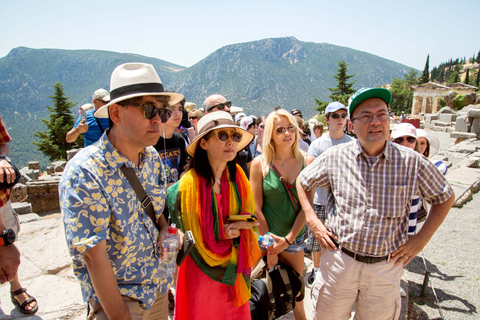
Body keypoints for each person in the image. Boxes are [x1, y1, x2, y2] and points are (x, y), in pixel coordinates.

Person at [296, 87, 455, 320]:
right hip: (340, 262)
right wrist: (313, 221)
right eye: (366, 116)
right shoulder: (336, 157)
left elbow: (445, 197)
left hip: (385, 269)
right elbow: (303, 181)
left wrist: (421, 239)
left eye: (382, 114)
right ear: (351, 125)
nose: (376, 121)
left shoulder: (412, 162)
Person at [59, 63, 184, 320]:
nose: (158, 120)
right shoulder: (85, 172)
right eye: (148, 109)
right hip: (120, 302)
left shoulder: (151, 158)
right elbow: (94, 258)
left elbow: (155, 211)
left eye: (162, 111)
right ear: (115, 113)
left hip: (157, 291)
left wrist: (164, 228)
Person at [166, 111, 261, 320]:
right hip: (199, 271)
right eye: (221, 136)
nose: (230, 142)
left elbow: (250, 215)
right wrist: (220, 232)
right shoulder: (185, 188)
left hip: (232, 269)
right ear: (203, 144)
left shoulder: (239, 179)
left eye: (235, 137)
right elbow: (186, 232)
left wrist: (240, 227)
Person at [250, 109, 313, 320]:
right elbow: (256, 208)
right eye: (280, 130)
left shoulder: (308, 161)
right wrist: (270, 246)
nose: (287, 133)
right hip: (265, 239)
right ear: (270, 134)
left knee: (297, 295)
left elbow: (307, 208)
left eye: (290, 128)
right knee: (264, 291)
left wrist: (287, 240)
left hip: (294, 239)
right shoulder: (260, 164)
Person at [304, 101, 352, 288]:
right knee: (317, 241)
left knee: (340, 240)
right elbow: (311, 174)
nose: (340, 119)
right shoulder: (317, 145)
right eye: (335, 116)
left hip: (343, 203)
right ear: (327, 119)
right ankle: (316, 269)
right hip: (321, 201)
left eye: (343, 115)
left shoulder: (352, 143)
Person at [0, 116, 38, 314]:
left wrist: (1, 158)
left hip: (2, 200)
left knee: (9, 244)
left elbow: (2, 144)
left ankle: (15, 286)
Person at [203, 94, 252, 176]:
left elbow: (249, 167)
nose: (227, 108)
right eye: (220, 106)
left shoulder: (239, 135)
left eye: (228, 105)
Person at [154, 99, 188, 190]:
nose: (177, 113)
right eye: (172, 109)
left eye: (180, 109)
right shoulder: (151, 141)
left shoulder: (180, 140)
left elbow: (183, 168)